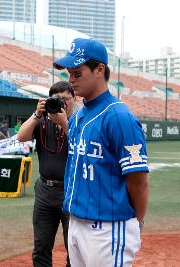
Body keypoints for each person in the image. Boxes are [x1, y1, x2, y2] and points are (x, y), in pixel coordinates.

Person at [53, 38, 149, 267]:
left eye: (78, 73)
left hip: (107, 229)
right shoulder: (77, 116)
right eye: (69, 74)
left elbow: (139, 181)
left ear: (99, 70)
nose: (71, 80)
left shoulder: (118, 116)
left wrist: (137, 221)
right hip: (76, 223)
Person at [17, 81, 75, 267]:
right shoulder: (42, 120)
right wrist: (37, 114)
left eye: (66, 99)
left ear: (74, 99)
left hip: (71, 192)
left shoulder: (79, 122)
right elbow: (21, 137)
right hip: (44, 191)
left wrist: (64, 122)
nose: (62, 104)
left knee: (74, 247)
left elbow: (81, 147)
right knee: (41, 246)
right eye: (57, 100)